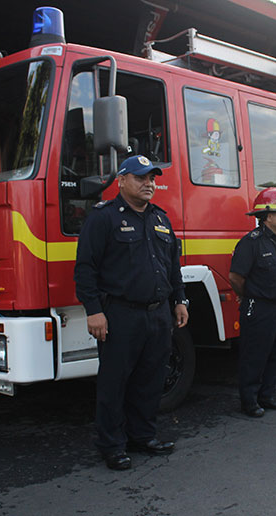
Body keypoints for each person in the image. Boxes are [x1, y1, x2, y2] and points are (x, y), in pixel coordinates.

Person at [74, 155, 189, 471]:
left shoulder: (160, 218)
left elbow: (172, 266)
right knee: (114, 383)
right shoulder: (103, 218)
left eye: (151, 178)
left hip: (158, 314)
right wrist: (94, 311)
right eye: (140, 178)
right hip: (120, 315)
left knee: (151, 380)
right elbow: (85, 269)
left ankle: (143, 436)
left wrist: (180, 300)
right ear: (121, 180)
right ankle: (112, 445)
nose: (148, 183)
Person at [229, 187, 276, 417]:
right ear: (269, 216)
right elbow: (236, 277)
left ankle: (267, 396)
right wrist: (249, 295)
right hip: (259, 308)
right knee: (255, 355)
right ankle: (249, 401)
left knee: (275, 354)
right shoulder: (251, 243)